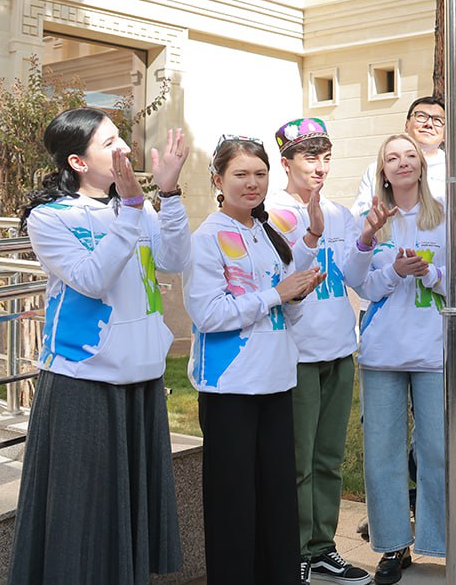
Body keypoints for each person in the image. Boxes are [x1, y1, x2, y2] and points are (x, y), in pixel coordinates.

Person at [11, 109, 190, 585]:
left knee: (127, 514)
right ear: (77, 161)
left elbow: (174, 259)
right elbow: (91, 279)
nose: (124, 150)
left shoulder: (135, 206)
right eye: (110, 143)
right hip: (82, 380)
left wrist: (167, 195)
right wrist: (132, 212)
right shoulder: (51, 218)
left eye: (122, 140)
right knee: (82, 516)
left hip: (142, 376)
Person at [356, 133, 456, 585]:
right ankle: (394, 545)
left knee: (441, 453)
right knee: (383, 456)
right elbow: (359, 285)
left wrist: (432, 272)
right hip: (381, 354)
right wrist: (392, 271)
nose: (402, 163)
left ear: (421, 165)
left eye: (410, 156)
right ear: (383, 170)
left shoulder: (446, 220)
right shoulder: (373, 220)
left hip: (435, 352)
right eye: (392, 157)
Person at [185, 135, 327, 585]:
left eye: (260, 174)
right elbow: (208, 314)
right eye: (241, 174)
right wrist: (276, 294)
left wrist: (297, 293)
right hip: (230, 388)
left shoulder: (267, 235)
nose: (252, 183)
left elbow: (284, 310)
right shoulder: (205, 239)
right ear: (218, 181)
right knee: (234, 507)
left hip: (276, 381)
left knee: (276, 502)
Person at [268, 117, 382, 585]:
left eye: (326, 157)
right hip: (295, 352)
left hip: (339, 347)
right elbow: (276, 281)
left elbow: (356, 276)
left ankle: (322, 547)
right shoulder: (269, 213)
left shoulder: (339, 212)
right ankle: (294, 549)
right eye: (310, 157)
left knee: (329, 457)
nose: (320, 166)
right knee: (298, 459)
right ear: (286, 161)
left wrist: (369, 238)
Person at [352, 95, 456, 224]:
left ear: (445, 133)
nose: (429, 124)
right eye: (421, 116)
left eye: (438, 120)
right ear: (406, 125)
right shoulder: (377, 169)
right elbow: (358, 216)